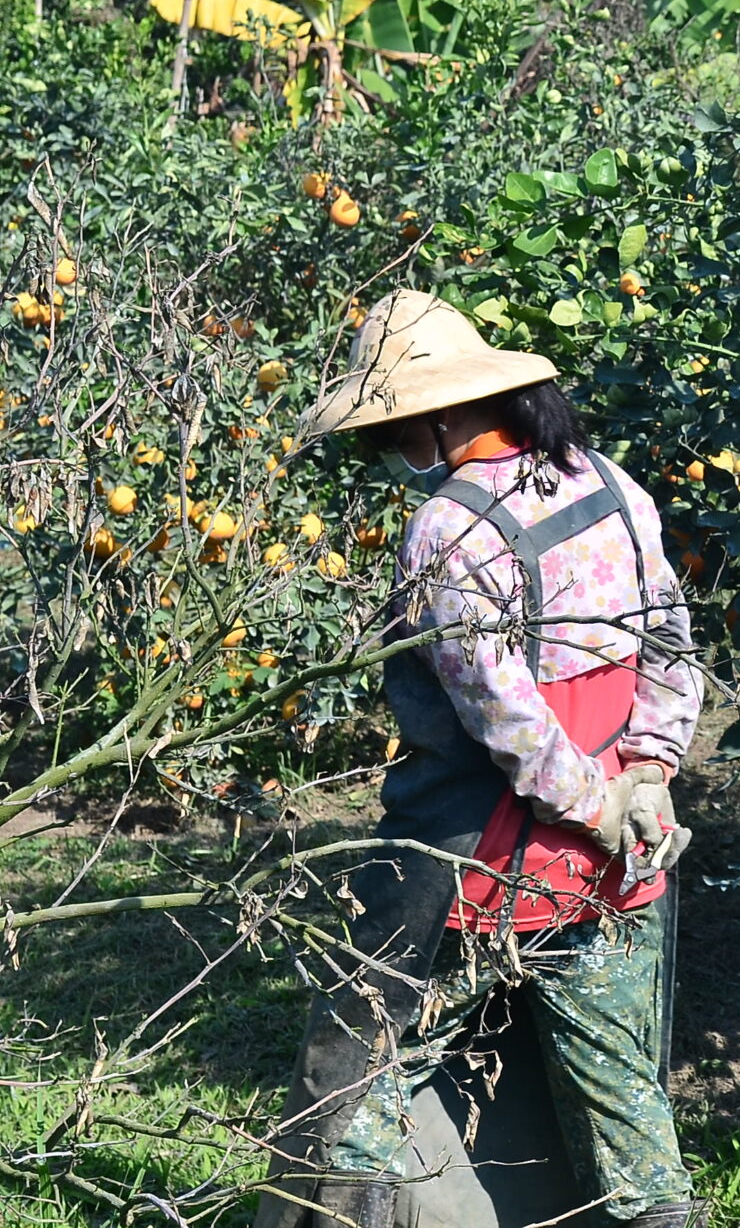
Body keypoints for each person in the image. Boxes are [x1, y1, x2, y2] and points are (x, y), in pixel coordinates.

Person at [259, 290, 707, 1228]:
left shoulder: (447, 533)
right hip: (617, 871)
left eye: (392, 433)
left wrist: (590, 801)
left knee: (368, 1079)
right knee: (630, 1122)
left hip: (483, 871)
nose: (391, 454)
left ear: (439, 417)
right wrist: (647, 779)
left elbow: (508, 722)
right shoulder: (611, 485)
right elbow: (671, 643)